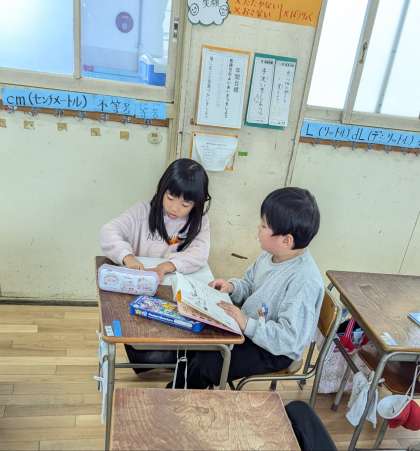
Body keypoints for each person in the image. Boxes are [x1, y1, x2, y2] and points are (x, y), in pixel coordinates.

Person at [170, 187, 324, 389]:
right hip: (251, 329)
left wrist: (245, 323)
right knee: (197, 341)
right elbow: (250, 284)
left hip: (274, 350)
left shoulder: (304, 281)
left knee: (208, 363)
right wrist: (232, 287)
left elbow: (289, 340)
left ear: (286, 240)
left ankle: (178, 399)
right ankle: (178, 391)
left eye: (264, 226)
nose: (258, 228)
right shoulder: (271, 255)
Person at [100, 158, 211, 370]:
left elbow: (200, 254)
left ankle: (176, 360)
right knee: (144, 351)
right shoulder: (142, 212)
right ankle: (164, 360)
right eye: (170, 198)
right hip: (142, 292)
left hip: (173, 293)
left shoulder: (200, 222)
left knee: (188, 338)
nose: (175, 208)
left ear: (196, 204)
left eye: (185, 204)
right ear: (162, 190)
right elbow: (108, 231)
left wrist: (165, 267)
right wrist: (127, 257)